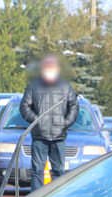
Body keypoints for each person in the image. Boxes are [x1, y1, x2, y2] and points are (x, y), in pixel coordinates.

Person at [19, 55, 78, 190]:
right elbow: (24, 106)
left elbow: (74, 106)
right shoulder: (34, 86)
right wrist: (36, 120)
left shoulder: (65, 86)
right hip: (40, 136)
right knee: (37, 171)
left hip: (59, 136)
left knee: (59, 171)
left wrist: (65, 122)